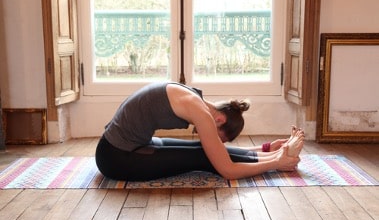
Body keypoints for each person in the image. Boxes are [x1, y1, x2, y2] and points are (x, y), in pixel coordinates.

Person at [95, 81, 304, 181]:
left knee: (201, 149)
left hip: (124, 146)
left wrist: (267, 150)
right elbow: (227, 170)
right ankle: (280, 159)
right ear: (220, 120)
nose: (218, 143)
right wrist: (276, 164)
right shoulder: (201, 113)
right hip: (116, 157)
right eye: (220, 137)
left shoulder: (194, 98)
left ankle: (275, 153)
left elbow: (219, 156)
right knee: (203, 156)